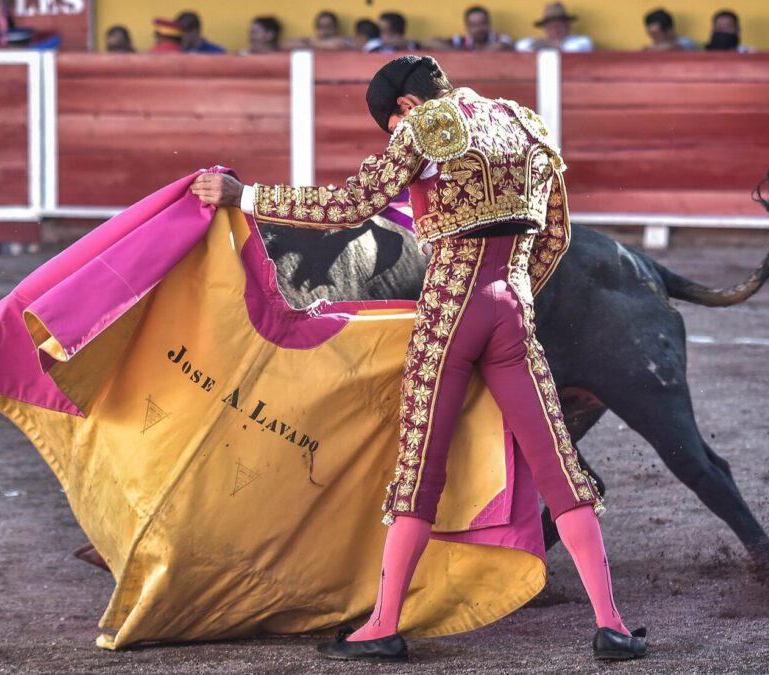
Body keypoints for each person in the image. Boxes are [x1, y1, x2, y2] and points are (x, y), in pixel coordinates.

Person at [189, 55, 648, 664]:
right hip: (514, 309)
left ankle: (383, 625)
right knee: (559, 466)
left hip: (450, 311)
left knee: (420, 469)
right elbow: (556, 233)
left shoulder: (424, 125)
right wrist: (512, 295)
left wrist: (247, 196)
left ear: (403, 108)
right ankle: (611, 624)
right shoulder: (524, 123)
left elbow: (351, 205)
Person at [515, 2, 594, 53]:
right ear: (545, 29)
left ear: (568, 26)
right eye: (552, 26)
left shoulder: (580, 41)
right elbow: (521, 45)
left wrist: (550, 44)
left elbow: (576, 49)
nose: (556, 30)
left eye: (559, 26)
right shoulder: (538, 42)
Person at [431, 5, 513, 51]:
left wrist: (470, 55)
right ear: (467, 28)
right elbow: (432, 42)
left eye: (483, 23)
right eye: (474, 25)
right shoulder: (461, 41)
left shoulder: (500, 39)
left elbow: (504, 45)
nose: (479, 28)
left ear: (489, 24)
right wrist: (460, 54)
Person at [285, 10, 354, 51]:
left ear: (336, 28)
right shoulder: (311, 41)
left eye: (328, 27)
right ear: (316, 29)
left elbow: (337, 46)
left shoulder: (345, 40)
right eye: (321, 27)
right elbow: (285, 44)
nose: (324, 30)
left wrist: (309, 43)